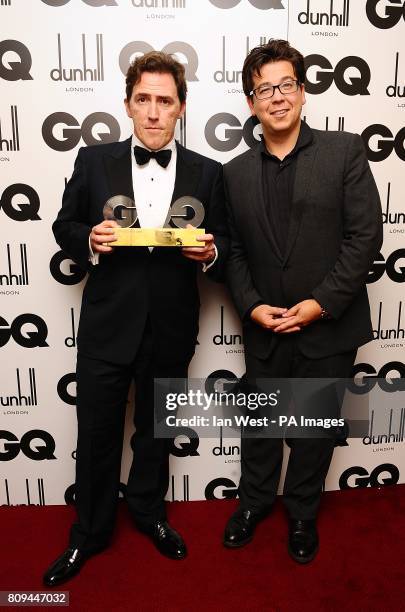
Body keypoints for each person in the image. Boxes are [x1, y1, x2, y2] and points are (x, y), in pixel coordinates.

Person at [43, 51, 227, 586]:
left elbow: (227, 245)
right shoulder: (92, 161)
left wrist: (209, 254)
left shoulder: (208, 173)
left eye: (164, 101)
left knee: (155, 434)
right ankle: (90, 534)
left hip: (171, 326)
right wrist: (90, 240)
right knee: (97, 433)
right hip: (107, 326)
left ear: (181, 108)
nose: (152, 111)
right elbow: (63, 225)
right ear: (127, 104)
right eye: (143, 99)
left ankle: (149, 514)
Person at [222, 39, 382, 563]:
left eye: (286, 84)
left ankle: (303, 514)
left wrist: (321, 303)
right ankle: (253, 503)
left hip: (327, 325)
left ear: (304, 91)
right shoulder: (234, 172)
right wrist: (250, 306)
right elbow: (236, 251)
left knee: (313, 433)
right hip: (265, 325)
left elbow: (365, 240)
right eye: (264, 89)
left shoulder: (344, 151)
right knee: (262, 427)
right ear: (251, 103)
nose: (276, 96)